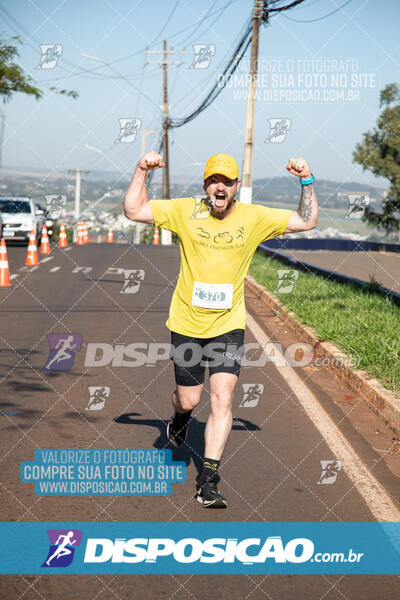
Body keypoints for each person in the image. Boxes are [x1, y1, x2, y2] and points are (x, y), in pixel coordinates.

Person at [124, 152, 318, 508]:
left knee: (223, 398)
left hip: (228, 324)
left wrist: (305, 180)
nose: (220, 187)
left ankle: (209, 480)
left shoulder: (254, 216)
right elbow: (134, 211)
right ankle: (180, 418)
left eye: (226, 181)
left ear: (236, 187)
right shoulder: (185, 211)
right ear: (205, 185)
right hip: (186, 323)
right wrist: (141, 170)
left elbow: (307, 222)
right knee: (190, 399)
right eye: (214, 180)